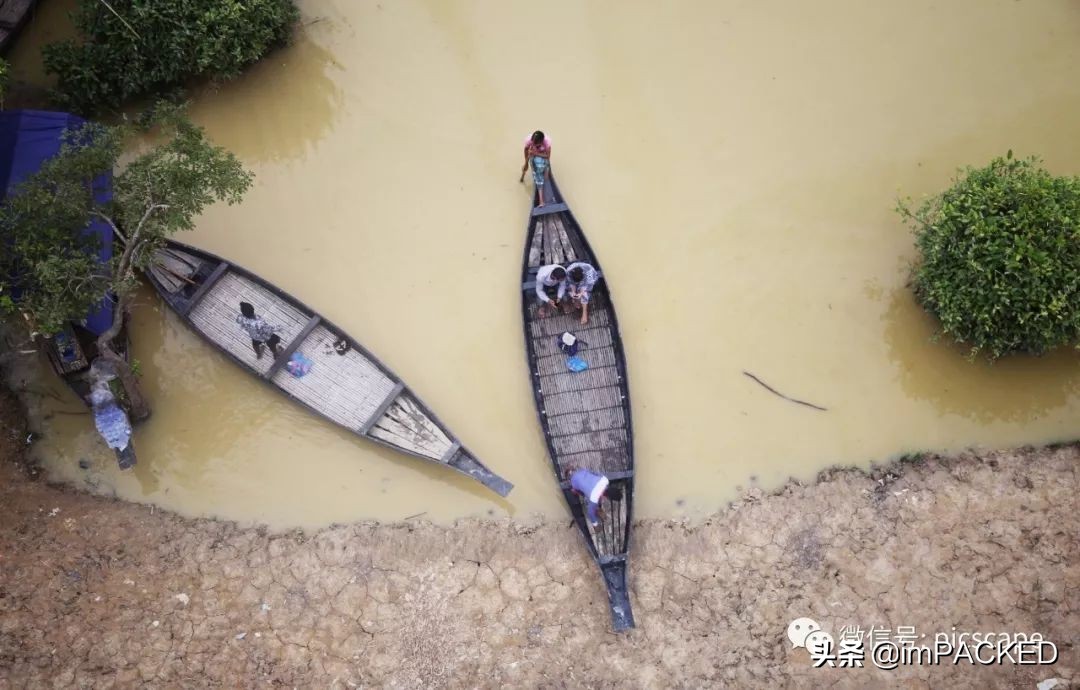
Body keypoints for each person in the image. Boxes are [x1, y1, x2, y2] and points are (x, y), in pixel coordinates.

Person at [88, 382, 135, 470]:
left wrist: (107, 437)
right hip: (123, 436)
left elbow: (100, 430)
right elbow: (125, 422)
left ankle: (125, 466)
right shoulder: (118, 412)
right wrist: (128, 432)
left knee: (119, 450)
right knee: (127, 447)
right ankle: (131, 463)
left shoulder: (98, 418)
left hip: (112, 440)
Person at [520, 130, 552, 206]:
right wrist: (526, 163)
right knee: (538, 172)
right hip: (533, 155)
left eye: (536, 144)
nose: (534, 144)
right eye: (533, 143)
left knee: (543, 168)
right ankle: (541, 201)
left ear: (542, 142)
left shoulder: (547, 142)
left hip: (542, 154)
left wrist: (547, 168)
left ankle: (545, 171)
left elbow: (547, 156)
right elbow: (526, 150)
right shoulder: (529, 140)